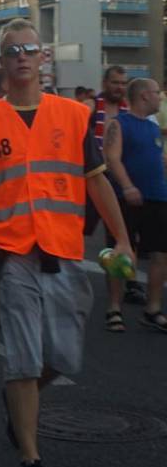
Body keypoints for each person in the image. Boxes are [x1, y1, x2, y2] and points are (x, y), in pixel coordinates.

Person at [0, 18, 133, 467]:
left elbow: (96, 180)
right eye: (13, 51)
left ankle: (17, 399)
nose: (23, 57)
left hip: (63, 250)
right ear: (2, 62)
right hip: (9, 254)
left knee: (66, 357)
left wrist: (124, 238)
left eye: (30, 49)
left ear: (43, 57)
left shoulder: (72, 116)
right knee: (24, 358)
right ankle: (30, 455)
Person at [102, 78, 167, 333]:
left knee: (161, 254)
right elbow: (112, 158)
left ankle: (152, 309)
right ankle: (114, 308)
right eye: (156, 93)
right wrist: (128, 186)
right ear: (143, 96)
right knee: (121, 253)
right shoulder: (120, 124)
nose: (159, 98)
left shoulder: (152, 129)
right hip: (125, 199)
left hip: (158, 198)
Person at [87, 66, 146, 306]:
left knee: (123, 234)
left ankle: (130, 283)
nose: (119, 87)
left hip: (118, 179)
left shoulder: (129, 111)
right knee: (77, 227)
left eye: (123, 83)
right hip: (91, 177)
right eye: (115, 83)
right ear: (104, 83)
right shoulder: (91, 107)